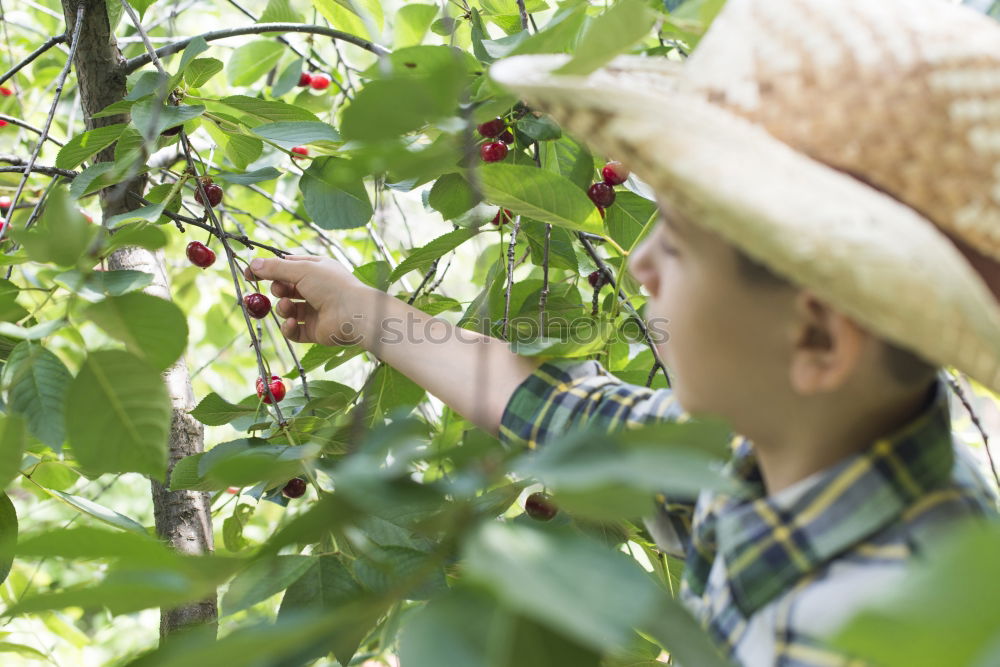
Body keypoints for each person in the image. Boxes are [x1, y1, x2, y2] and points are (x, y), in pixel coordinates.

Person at [245, 0, 1000, 663]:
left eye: (678, 242)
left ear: (818, 341)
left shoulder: (902, 627)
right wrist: (362, 313)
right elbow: (548, 402)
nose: (642, 263)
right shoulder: (770, 451)